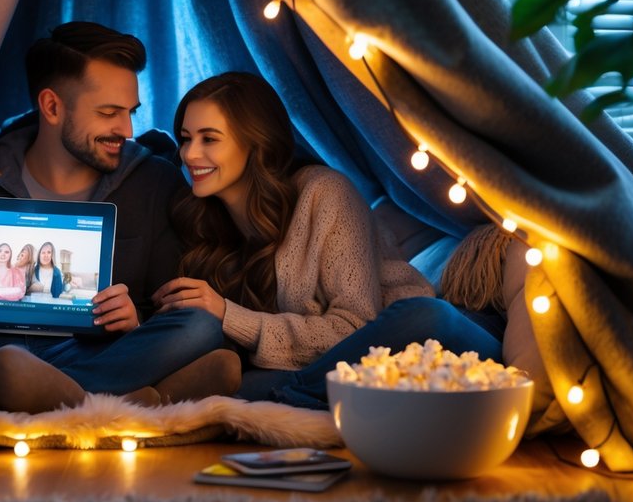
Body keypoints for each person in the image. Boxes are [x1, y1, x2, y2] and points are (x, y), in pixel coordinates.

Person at [0, 22, 239, 413]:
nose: (127, 129)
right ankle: (107, 402)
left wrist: (136, 318)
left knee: (200, 326)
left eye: (130, 112)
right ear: (51, 107)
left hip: (99, 352)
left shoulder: (154, 181)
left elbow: (168, 305)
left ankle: (32, 394)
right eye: (109, 113)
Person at [152, 71, 503, 409]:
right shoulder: (202, 216)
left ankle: (269, 399)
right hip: (320, 370)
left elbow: (355, 329)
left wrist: (230, 315)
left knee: (426, 315)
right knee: (248, 379)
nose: (189, 154)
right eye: (185, 138)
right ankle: (265, 399)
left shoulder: (324, 192)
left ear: (255, 142)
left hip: (430, 340)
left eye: (209, 139)